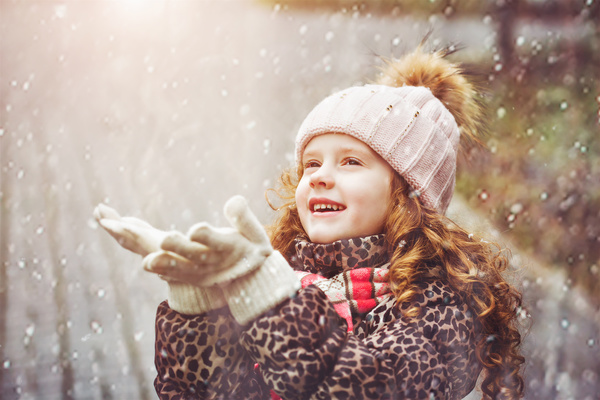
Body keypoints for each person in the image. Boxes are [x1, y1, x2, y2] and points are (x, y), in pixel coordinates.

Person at [95, 45, 525, 399]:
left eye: (351, 161)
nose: (319, 175)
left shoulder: (440, 304)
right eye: (311, 163)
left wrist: (273, 302)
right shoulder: (287, 277)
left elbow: (364, 388)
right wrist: (196, 300)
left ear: (408, 196)